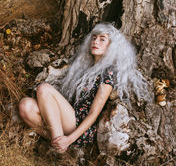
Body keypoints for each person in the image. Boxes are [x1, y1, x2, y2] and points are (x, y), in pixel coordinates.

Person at [19, 23, 151, 153]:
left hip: (79, 126)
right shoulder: (84, 67)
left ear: (111, 46)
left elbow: (94, 114)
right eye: (94, 38)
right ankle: (58, 143)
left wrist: (70, 138)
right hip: (66, 120)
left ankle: (61, 145)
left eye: (102, 39)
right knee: (26, 105)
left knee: (44, 89)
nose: (96, 42)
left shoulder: (108, 73)